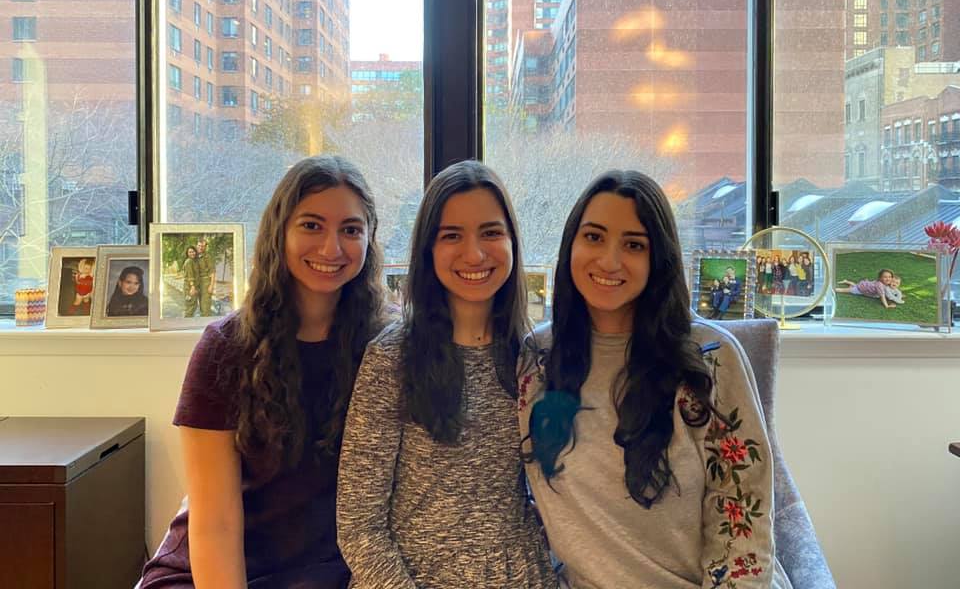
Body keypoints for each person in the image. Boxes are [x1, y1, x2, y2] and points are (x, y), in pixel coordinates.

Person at [518, 170, 786, 589]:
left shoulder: (710, 359)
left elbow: (742, 522)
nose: (609, 260)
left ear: (658, 258)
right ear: (570, 245)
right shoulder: (538, 358)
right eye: (593, 237)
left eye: (634, 245)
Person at [139, 155, 386, 589]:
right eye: (311, 225)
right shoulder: (225, 349)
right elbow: (214, 524)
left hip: (331, 575)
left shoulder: (386, 347)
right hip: (216, 572)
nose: (331, 248)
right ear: (279, 232)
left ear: (369, 240)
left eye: (351, 230)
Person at [336, 160, 553, 589]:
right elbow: (359, 526)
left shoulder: (532, 357)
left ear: (512, 241)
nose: (474, 254)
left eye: (491, 233)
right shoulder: (391, 359)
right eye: (452, 235)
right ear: (428, 250)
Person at [836, 269, 904, 309]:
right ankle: (834, 289)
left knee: (855, 285)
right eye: (885, 277)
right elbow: (882, 296)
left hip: (866, 285)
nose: (888, 279)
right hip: (861, 289)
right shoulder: (880, 285)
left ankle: (846, 281)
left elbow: (892, 289)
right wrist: (887, 306)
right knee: (848, 290)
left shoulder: (888, 283)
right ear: (880, 278)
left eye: (889, 277)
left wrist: (898, 295)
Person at [195, 238, 216, 316]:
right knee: (201, 306)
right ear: (197, 245)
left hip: (206, 283)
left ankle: (207, 320)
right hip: (198, 283)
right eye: (199, 245)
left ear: (205, 247)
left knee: (206, 307)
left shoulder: (208, 257)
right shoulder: (195, 256)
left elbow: (212, 272)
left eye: (203, 246)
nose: (200, 247)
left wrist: (211, 286)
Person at [182, 246, 200, 318]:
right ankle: (186, 322)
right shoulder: (189, 262)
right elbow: (190, 275)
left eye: (193, 251)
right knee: (190, 307)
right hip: (189, 288)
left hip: (192, 287)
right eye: (190, 252)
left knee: (193, 306)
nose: (192, 253)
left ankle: (187, 321)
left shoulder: (193, 261)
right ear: (187, 253)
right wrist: (192, 287)